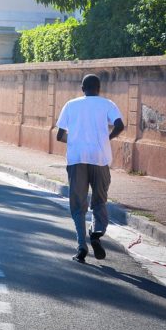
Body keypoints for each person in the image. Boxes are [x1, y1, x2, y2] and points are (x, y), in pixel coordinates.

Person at [56, 74, 125, 263]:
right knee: (99, 201)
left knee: (78, 206)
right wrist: (106, 139)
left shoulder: (71, 104)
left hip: (77, 159)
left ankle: (81, 248)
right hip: (100, 158)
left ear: (82, 88)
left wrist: (76, 141)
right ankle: (96, 233)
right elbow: (120, 125)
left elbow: (60, 135)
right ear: (99, 88)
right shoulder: (108, 104)